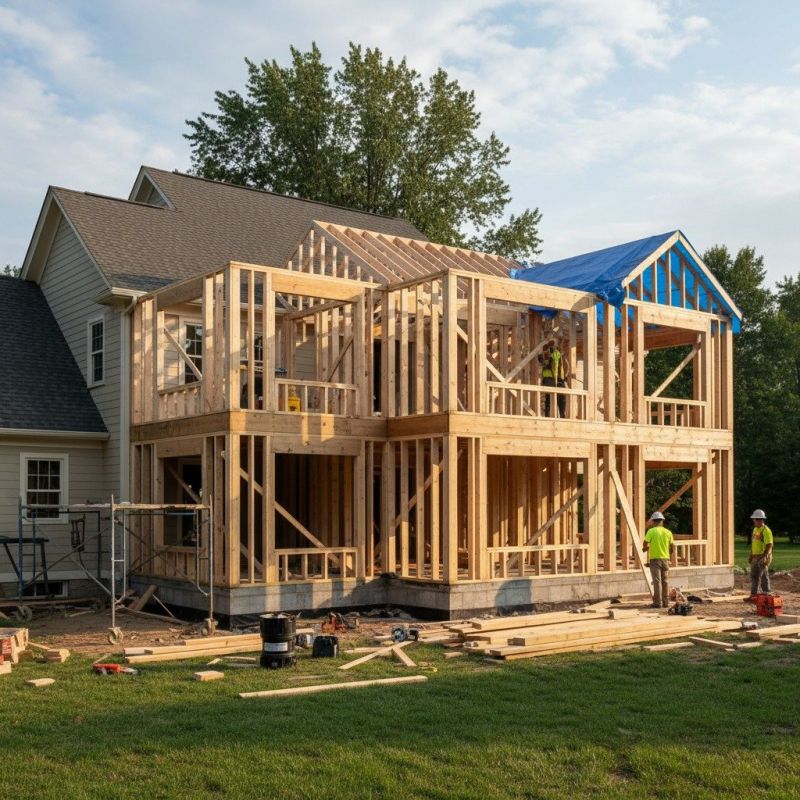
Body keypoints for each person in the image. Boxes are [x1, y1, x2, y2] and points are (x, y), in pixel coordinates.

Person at [643, 511, 674, 608]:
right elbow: (672, 546)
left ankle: (657, 603)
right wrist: (669, 554)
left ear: (653, 521)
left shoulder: (651, 531)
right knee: (665, 581)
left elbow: (645, 543)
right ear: (662, 521)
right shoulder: (668, 532)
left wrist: (645, 548)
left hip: (655, 559)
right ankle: (666, 602)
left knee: (657, 581)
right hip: (665, 559)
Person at [538, 338, 568, 417]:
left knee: (558, 400)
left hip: (556, 379)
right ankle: (552, 416)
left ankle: (560, 416)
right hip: (552, 379)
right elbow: (549, 365)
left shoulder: (555, 354)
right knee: (552, 400)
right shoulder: (554, 354)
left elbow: (557, 365)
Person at [747, 509, 773, 599]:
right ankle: (754, 595)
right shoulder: (755, 529)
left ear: (761, 520)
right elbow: (754, 543)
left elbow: (769, 544)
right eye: (754, 519)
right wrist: (751, 554)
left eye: (755, 519)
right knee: (754, 576)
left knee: (763, 576)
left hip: (762, 556)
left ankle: (767, 593)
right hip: (755, 556)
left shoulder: (766, 530)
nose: (754, 521)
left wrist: (765, 556)